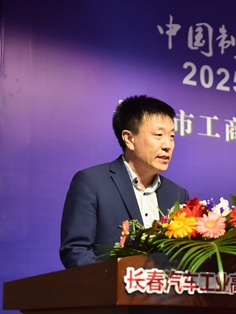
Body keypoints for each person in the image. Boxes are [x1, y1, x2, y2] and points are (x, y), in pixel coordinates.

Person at [60, 95, 190, 268]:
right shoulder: (92, 183)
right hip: (109, 285)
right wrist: (120, 279)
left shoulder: (178, 195)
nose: (168, 145)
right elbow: (76, 251)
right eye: (158, 135)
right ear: (129, 138)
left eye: (172, 136)